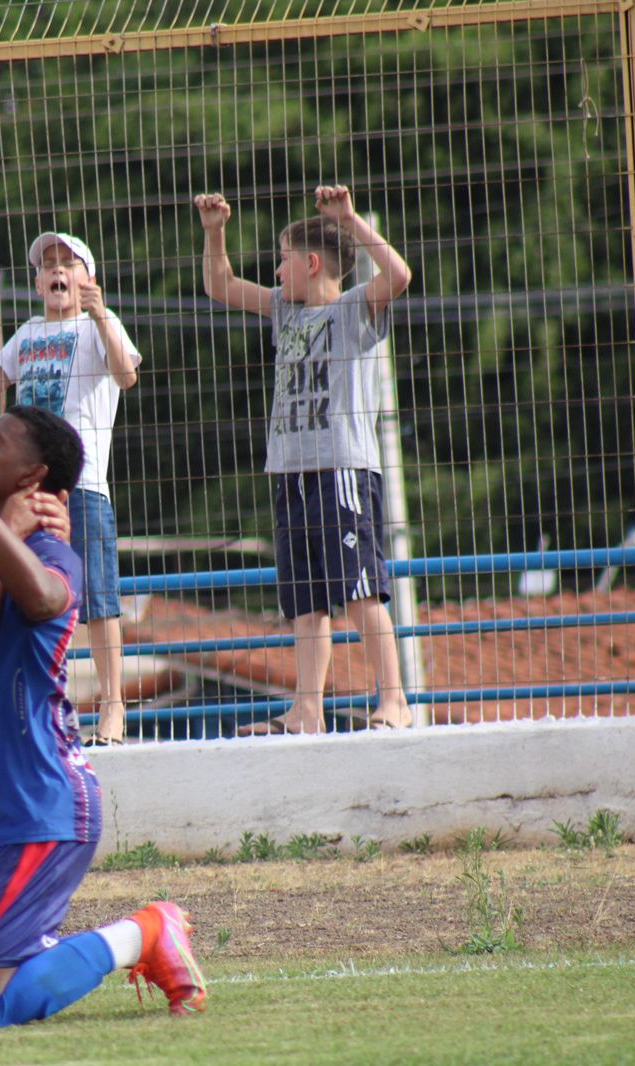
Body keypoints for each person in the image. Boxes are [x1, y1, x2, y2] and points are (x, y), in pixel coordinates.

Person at [0, 398, 208, 1024]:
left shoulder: (56, 556)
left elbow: (45, 596)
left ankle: (144, 931)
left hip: (36, 806)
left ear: (33, 479)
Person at [195, 185, 414, 734]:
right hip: (288, 473)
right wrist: (214, 231)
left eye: (282, 260)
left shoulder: (352, 308)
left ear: (312, 262)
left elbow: (400, 277)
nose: (274, 272)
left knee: (360, 588)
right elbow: (219, 285)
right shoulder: (283, 312)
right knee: (306, 602)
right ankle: (306, 711)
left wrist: (350, 220)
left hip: (340, 469)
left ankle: (394, 701)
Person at [0, 232, 141, 746]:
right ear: (38, 282)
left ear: (88, 279)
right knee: (26, 593)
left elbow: (126, 375)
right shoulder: (27, 332)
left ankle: (113, 706)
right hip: (23, 491)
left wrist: (102, 314)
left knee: (100, 598)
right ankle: (41, 699)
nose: (57, 271)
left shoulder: (96, 327)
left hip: (81, 484)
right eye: (48, 265)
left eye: (69, 263)